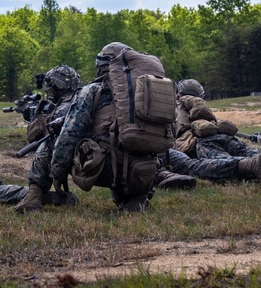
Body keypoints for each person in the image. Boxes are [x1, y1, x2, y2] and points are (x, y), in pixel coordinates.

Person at [49, 42, 171, 213]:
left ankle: (34, 195)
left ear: (101, 66)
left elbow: (69, 134)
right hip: (146, 170)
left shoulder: (92, 90)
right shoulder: (148, 92)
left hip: (107, 169)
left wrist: (58, 173)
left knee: (53, 140)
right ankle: (137, 198)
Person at [171, 78, 261, 189]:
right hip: (224, 137)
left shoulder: (176, 107)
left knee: (225, 164)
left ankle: (256, 165)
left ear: (177, 94)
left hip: (200, 141)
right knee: (255, 154)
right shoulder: (199, 106)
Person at [13, 65, 85, 213]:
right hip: (95, 153)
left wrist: (37, 120)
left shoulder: (65, 106)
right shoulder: (85, 98)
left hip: (79, 155)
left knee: (46, 145)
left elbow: (45, 134)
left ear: (57, 86)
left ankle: (34, 196)